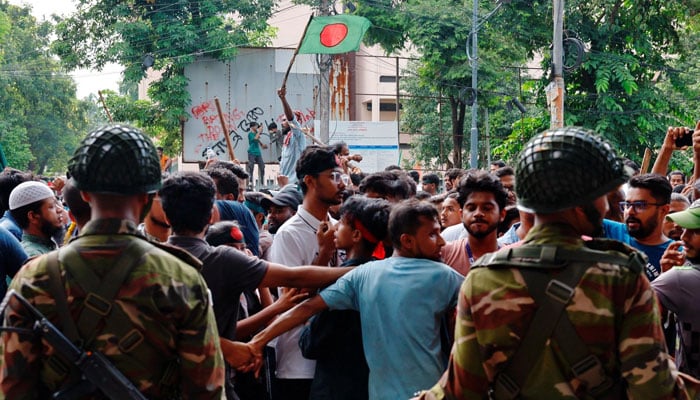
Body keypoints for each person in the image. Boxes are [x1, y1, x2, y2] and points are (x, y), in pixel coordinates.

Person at [415, 126, 695, 399]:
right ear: (583, 201)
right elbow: (653, 390)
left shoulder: (483, 278)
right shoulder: (621, 278)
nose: (608, 206)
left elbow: (462, 389)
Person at [0, 124, 225, 398]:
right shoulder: (182, 279)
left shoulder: (32, 279)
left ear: (83, 194)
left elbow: (12, 390)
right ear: (149, 196)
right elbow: (207, 391)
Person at [159, 171, 353, 400]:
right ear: (212, 214)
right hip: (210, 383)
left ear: (166, 216)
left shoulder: (149, 260)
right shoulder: (223, 260)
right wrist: (359, 269)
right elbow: (294, 277)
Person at [248, 199, 464, 400]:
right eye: (433, 235)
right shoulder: (443, 276)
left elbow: (306, 308)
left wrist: (259, 341)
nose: (443, 241)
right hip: (435, 392)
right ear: (407, 240)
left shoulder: (364, 275)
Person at [266, 146, 346, 399]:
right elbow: (291, 299)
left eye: (341, 176)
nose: (341, 183)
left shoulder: (340, 228)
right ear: (310, 181)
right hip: (298, 363)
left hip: (336, 360)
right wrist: (323, 255)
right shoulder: (290, 234)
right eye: (333, 176)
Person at [299, 196, 392, 400]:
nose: (335, 228)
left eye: (341, 223)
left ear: (356, 234)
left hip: (337, 388)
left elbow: (310, 344)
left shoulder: (344, 282)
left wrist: (307, 323)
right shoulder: (386, 274)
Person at [653, 200, 700, 378]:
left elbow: (636, 322)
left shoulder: (680, 280)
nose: (684, 237)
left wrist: (664, 279)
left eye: (695, 231)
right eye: (685, 229)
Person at [604, 173, 673, 281]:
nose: (630, 212)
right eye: (627, 205)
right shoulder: (608, 230)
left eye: (640, 205)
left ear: (664, 210)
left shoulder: (675, 254)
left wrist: (666, 278)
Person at [440, 170, 506, 275]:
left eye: (487, 208)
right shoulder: (445, 254)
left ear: (502, 214)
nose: (478, 213)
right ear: (461, 214)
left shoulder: (512, 259)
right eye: (471, 208)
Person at [9, 181, 65, 257]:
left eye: (57, 203)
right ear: (33, 216)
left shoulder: (48, 244)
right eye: (52, 206)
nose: (60, 209)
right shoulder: (33, 255)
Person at [277, 86, 307, 184]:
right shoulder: (287, 138)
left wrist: (283, 99)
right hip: (285, 185)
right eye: (282, 120)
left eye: (284, 120)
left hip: (294, 185)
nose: (282, 123)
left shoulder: (298, 135)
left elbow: (291, 118)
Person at [247, 122, 268, 189]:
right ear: (252, 127)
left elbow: (258, 140)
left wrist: (262, 145)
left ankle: (262, 182)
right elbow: (255, 139)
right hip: (251, 152)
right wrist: (259, 131)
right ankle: (250, 182)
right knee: (251, 167)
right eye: (256, 126)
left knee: (262, 166)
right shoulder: (250, 134)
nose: (257, 127)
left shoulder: (256, 133)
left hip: (258, 152)